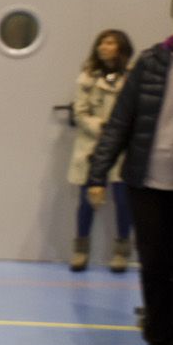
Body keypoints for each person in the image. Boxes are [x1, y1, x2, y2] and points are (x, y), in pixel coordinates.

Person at [89, 0, 173, 345]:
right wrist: (98, 174)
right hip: (146, 183)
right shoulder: (150, 62)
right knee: (153, 269)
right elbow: (119, 122)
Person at [68, 30, 135, 273]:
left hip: (122, 148)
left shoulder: (132, 77)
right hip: (91, 146)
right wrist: (101, 127)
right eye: (101, 43)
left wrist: (118, 131)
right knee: (87, 201)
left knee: (123, 200)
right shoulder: (87, 77)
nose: (104, 47)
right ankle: (80, 249)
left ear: (121, 48)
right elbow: (80, 112)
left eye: (110, 43)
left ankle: (121, 252)